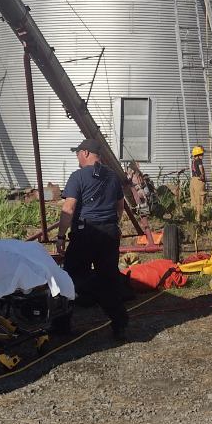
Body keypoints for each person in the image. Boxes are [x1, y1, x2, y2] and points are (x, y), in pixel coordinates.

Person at [56, 139, 129, 340]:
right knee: (109, 277)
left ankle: (61, 326)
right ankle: (119, 322)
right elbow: (120, 206)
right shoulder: (113, 177)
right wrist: (114, 224)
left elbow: (68, 208)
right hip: (109, 233)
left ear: (86, 153)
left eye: (78, 153)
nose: (77, 157)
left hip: (85, 233)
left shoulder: (78, 177)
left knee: (69, 277)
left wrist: (61, 236)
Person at [190, 145, 207, 221]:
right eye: (202, 154)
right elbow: (200, 168)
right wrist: (202, 175)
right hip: (198, 181)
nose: (203, 156)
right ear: (198, 154)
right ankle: (199, 218)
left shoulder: (193, 161)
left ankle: (194, 217)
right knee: (200, 200)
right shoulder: (199, 161)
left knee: (194, 200)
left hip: (193, 181)